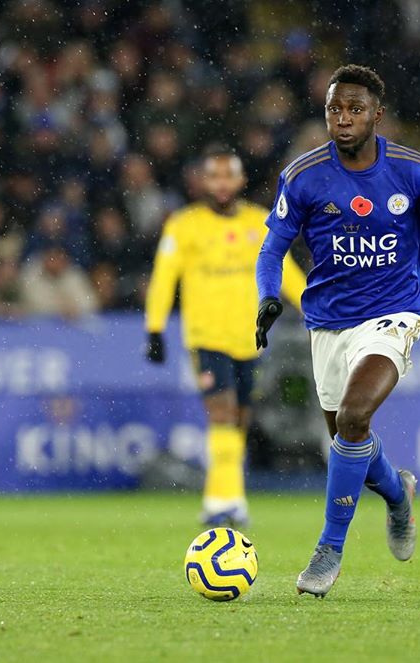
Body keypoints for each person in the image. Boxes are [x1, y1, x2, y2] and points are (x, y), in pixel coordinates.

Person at [254, 65, 420, 597]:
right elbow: (271, 247)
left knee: (354, 417)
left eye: (355, 109)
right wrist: (266, 296)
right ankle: (398, 495)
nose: (343, 118)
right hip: (327, 322)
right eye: (334, 109)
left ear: (377, 114)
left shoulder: (412, 170)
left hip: (394, 314)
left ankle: (329, 550)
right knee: (346, 438)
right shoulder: (304, 175)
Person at [144, 145, 307, 529]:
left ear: (240, 180)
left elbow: (287, 270)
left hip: (251, 339)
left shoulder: (259, 222)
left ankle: (224, 498)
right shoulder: (184, 225)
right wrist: (154, 328)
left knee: (239, 423)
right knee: (222, 415)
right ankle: (224, 504)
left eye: (227, 175)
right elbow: (164, 279)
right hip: (207, 338)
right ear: (202, 180)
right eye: (213, 175)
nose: (220, 183)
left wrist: (313, 309)